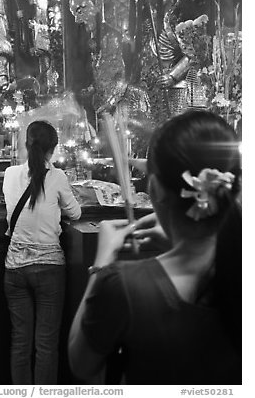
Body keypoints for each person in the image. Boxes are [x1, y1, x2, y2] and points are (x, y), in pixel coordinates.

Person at [68, 109, 241, 385]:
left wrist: (101, 264)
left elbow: (82, 363)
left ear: (155, 190)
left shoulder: (123, 285)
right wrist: (177, 243)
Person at [3, 120, 81, 384]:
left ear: (27, 144)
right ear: (54, 148)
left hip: (14, 268)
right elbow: (76, 213)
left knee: (20, 342)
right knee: (46, 345)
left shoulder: (10, 173)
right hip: (49, 269)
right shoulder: (58, 177)